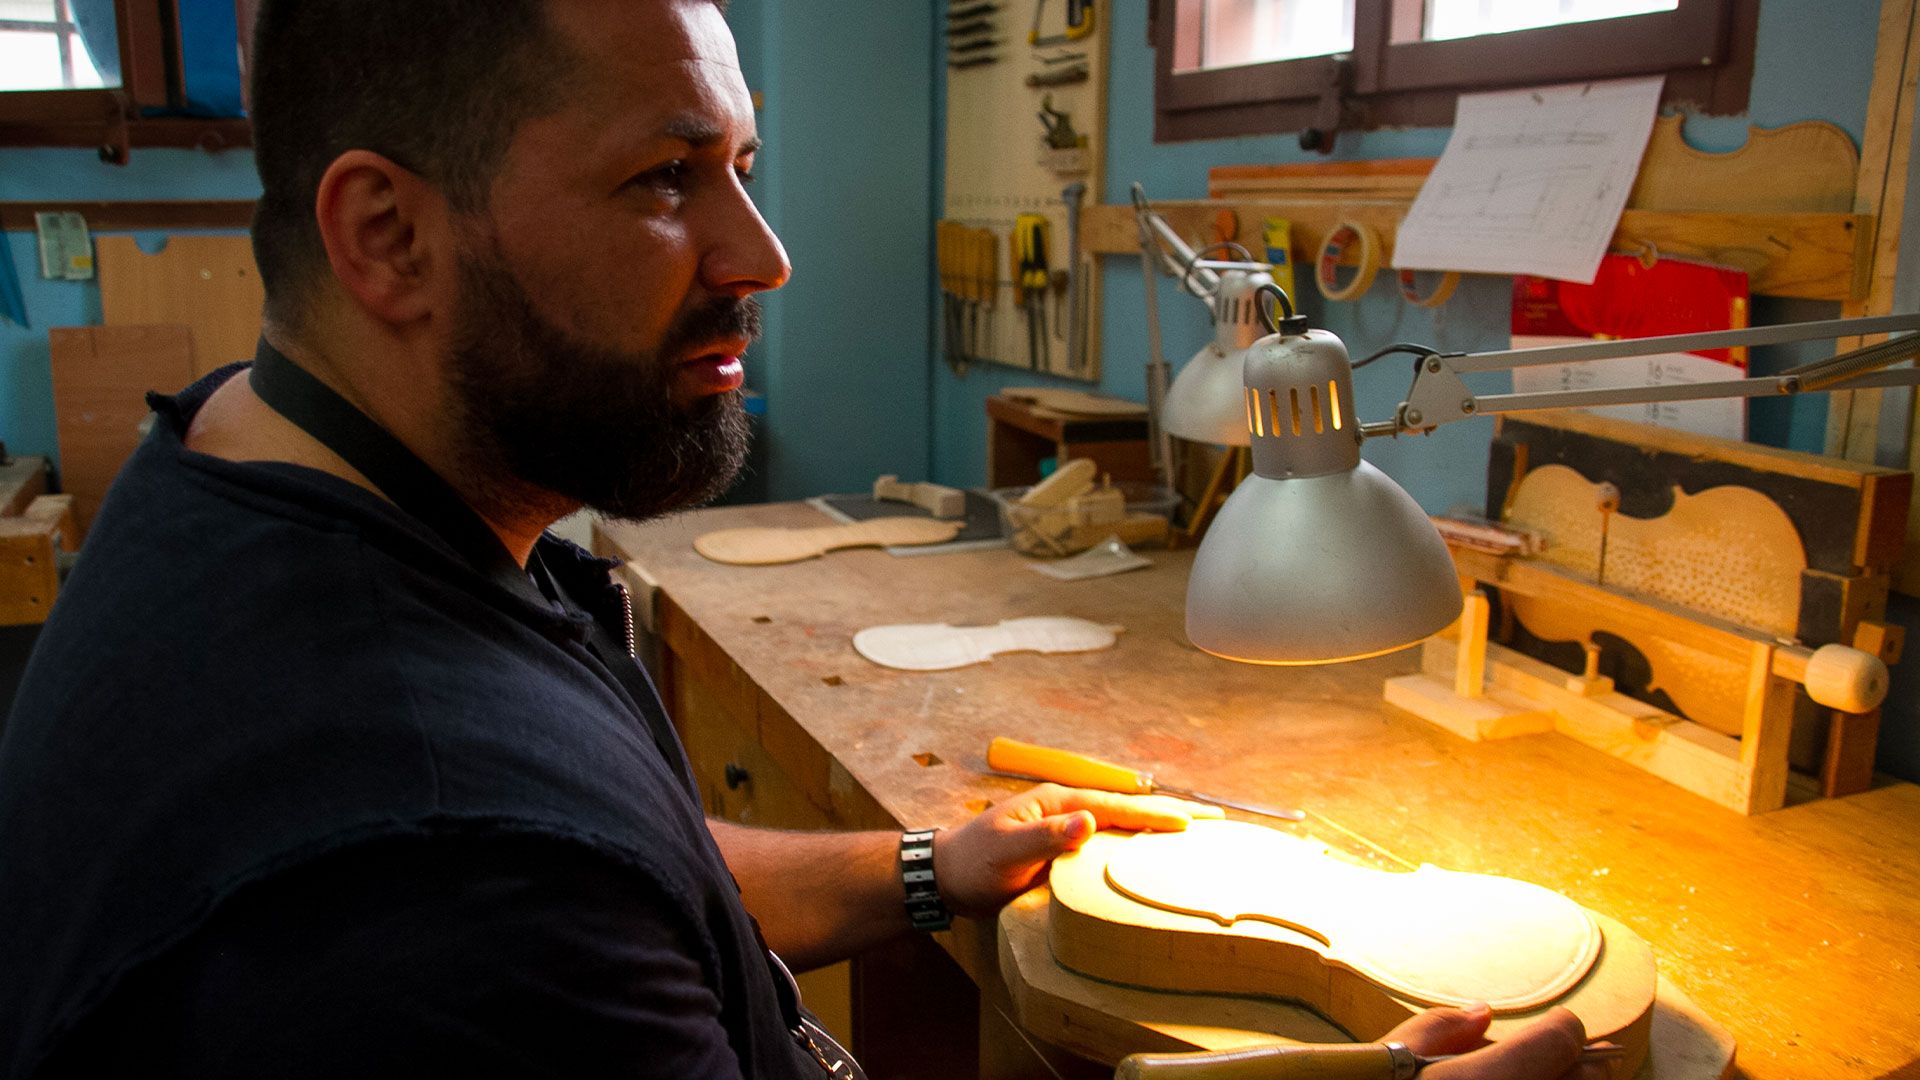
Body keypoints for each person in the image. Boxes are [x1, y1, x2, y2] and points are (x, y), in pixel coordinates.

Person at [0, 2, 1605, 1077]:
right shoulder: (424, 888)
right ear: (387, 237)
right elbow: (531, 875)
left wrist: (924, 867)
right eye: (662, 179)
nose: (760, 255)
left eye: (743, 167)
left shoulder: (270, 463)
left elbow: (630, 863)